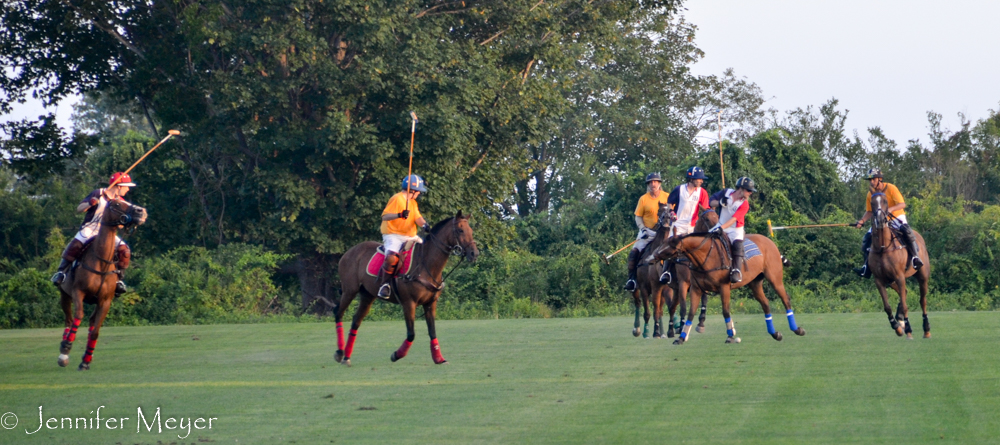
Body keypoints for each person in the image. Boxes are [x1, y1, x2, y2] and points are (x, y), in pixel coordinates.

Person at [50, 172, 135, 295]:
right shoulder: (98, 193)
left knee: (125, 250)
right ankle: (61, 272)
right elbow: (79, 209)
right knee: (76, 244)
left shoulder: (120, 201)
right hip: (91, 228)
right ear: (119, 186)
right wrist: (91, 203)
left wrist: (124, 221)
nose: (127, 189)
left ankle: (119, 279)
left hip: (107, 232)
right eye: (126, 186)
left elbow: (120, 225)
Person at [852, 168, 923, 278]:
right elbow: (869, 211)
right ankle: (866, 267)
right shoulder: (870, 194)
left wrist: (890, 210)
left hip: (896, 216)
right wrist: (861, 221)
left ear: (880, 179)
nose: (871, 182)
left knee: (906, 230)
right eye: (870, 180)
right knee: (867, 238)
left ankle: (915, 257)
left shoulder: (891, 188)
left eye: (873, 179)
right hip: (881, 219)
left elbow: (902, 204)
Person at [377, 174, 430, 299]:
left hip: (409, 236)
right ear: (412, 190)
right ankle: (384, 285)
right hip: (393, 235)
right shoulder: (397, 198)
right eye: (418, 191)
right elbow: (385, 216)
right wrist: (399, 214)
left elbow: (417, 217)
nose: (419, 194)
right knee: (391, 258)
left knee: (426, 251)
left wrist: (425, 225)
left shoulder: (413, 203)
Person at [659, 166, 710, 284]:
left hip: (693, 226)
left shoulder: (702, 192)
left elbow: (705, 208)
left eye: (702, 179)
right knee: (671, 246)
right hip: (678, 225)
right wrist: (671, 212)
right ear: (691, 178)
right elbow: (670, 203)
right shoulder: (679, 189)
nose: (701, 181)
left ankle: (703, 274)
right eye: (699, 179)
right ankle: (666, 272)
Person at [624, 172, 670, 292]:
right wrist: (643, 229)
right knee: (635, 251)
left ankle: (674, 275)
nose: (653, 184)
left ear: (659, 183)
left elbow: (674, 212)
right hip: (648, 232)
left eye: (655, 182)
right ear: (648, 185)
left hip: (665, 232)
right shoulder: (643, 199)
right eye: (650, 182)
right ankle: (632, 279)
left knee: (677, 250)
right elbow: (638, 216)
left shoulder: (667, 197)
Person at [708, 176, 756, 284]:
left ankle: (736, 271)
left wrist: (721, 228)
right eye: (749, 190)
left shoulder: (745, 204)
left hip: (735, 229)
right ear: (741, 189)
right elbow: (711, 203)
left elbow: (734, 219)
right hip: (720, 224)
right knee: (704, 238)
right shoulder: (726, 192)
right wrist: (720, 202)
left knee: (738, 246)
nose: (750, 193)